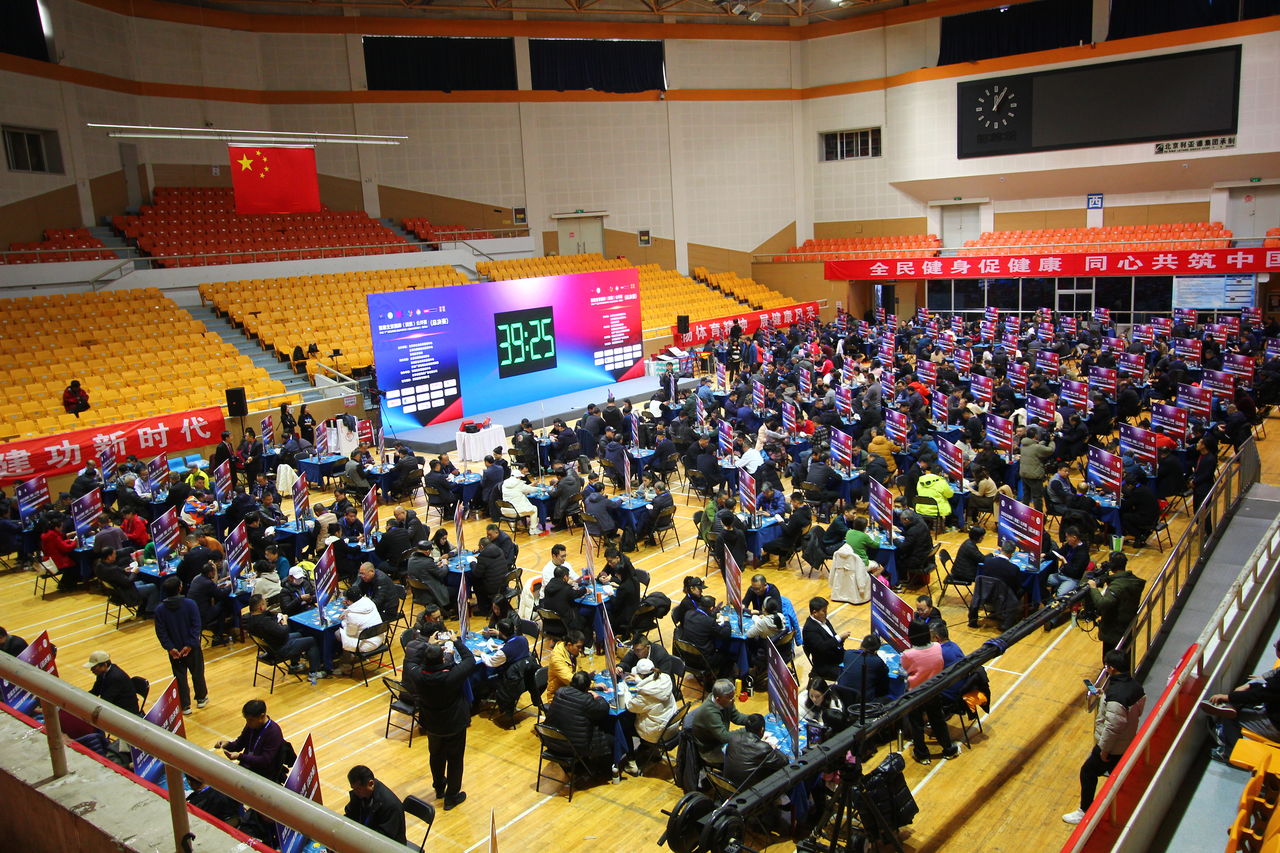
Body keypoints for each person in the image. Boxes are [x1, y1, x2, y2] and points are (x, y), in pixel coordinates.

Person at [1062, 651, 1146, 824]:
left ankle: (1084, 811)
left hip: (1112, 747)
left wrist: (1104, 750)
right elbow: (1129, 711)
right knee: (1118, 776)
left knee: (1088, 772)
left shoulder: (1116, 694)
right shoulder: (1134, 686)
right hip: (1126, 741)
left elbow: (1113, 725)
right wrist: (1104, 697)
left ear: (1112, 668)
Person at [414, 640, 476, 809]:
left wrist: (427, 645)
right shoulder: (451, 676)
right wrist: (456, 641)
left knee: (436, 756)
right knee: (455, 760)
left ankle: (439, 788)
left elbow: (410, 660)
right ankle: (451, 797)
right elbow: (469, 659)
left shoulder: (418, 675)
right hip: (454, 724)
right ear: (442, 659)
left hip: (432, 724)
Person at [900, 620, 960, 765]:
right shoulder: (937, 647)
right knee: (938, 720)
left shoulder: (907, 654)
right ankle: (948, 749)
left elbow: (904, 671)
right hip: (933, 691)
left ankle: (922, 754)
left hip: (915, 694)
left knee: (917, 725)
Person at [544, 670, 616, 774]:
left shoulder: (560, 692)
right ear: (587, 687)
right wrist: (598, 697)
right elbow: (603, 709)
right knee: (611, 739)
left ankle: (583, 766)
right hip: (571, 748)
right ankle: (605, 772)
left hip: (550, 741)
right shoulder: (586, 700)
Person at [154, 576, 208, 714]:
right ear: (180, 588)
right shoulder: (190, 604)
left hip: (175, 651)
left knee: (179, 677)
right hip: (192, 648)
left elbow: (161, 632)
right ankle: (201, 698)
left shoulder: (160, 610)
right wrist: (189, 645)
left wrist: (170, 648)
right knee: (197, 673)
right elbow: (196, 625)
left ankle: (185, 705)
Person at [243, 594, 325, 683]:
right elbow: (283, 632)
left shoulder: (249, 619)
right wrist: (285, 621)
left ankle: (294, 665)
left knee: (300, 634)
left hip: (270, 646)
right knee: (312, 641)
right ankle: (314, 672)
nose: (266, 604)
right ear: (260, 607)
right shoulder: (264, 622)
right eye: (264, 603)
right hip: (280, 648)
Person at [1088, 554, 1145, 665]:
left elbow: (1102, 604)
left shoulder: (1118, 586)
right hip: (1127, 626)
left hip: (1113, 630)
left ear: (1112, 565)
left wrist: (1093, 588)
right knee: (1125, 658)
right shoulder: (1133, 581)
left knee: (1112, 663)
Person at [215, 699, 286, 781]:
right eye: (246, 720)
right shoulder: (251, 725)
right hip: (246, 768)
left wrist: (240, 756)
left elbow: (265, 761)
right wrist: (226, 744)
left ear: (262, 716)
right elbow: (239, 744)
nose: (247, 723)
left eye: (250, 720)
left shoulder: (273, 732)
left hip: (262, 776)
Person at [624, 657, 677, 760]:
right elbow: (649, 683)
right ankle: (646, 749)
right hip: (671, 727)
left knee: (625, 724)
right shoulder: (664, 679)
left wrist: (626, 690)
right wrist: (639, 681)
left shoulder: (645, 693)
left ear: (642, 675)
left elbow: (630, 706)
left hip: (657, 733)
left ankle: (631, 760)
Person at [689, 679, 750, 767]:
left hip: (720, 741)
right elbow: (724, 737)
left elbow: (736, 717)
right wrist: (747, 729)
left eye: (733, 696)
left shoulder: (726, 701)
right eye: (730, 698)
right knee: (745, 756)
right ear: (718, 699)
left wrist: (751, 719)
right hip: (710, 751)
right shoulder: (710, 713)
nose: (733, 700)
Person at [723, 713, 789, 790]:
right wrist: (774, 749)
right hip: (749, 792)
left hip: (727, 787)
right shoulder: (763, 748)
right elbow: (784, 762)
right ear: (762, 729)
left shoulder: (734, 738)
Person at [344, 765, 406, 844]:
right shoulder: (359, 794)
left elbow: (384, 838)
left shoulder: (391, 806)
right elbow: (350, 814)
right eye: (353, 789)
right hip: (366, 837)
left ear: (371, 784)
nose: (355, 792)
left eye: (358, 789)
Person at [837, 633, 891, 704]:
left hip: (843, 697)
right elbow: (886, 672)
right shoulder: (877, 661)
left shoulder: (848, 653)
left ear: (862, 644)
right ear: (876, 650)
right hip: (863, 702)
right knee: (889, 699)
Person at [802, 597, 848, 680]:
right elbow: (821, 648)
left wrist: (841, 640)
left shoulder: (825, 621)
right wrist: (839, 638)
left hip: (838, 656)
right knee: (852, 674)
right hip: (826, 665)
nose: (826, 613)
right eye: (824, 611)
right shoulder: (809, 629)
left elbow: (834, 638)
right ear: (814, 612)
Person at [338, 585, 384, 667]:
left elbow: (350, 633)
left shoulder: (352, 615)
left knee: (339, 633)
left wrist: (344, 621)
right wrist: (348, 609)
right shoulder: (369, 602)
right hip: (379, 638)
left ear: (349, 600)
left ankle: (346, 665)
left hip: (367, 644)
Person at [86, 650, 141, 715]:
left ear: (104, 665)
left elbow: (106, 700)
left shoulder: (116, 677)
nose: (91, 670)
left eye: (94, 667)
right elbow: (95, 691)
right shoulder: (101, 673)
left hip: (126, 711)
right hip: (115, 705)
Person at [1019, 427, 1056, 511]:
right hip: (1034, 475)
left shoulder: (1023, 445)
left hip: (1024, 473)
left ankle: (1023, 513)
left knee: (1026, 495)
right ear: (1035, 435)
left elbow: (1036, 446)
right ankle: (1039, 515)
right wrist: (1051, 441)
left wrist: (1043, 442)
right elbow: (1050, 450)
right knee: (1037, 497)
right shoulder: (1037, 447)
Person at [545, 630, 586, 703]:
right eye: (578, 647)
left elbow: (579, 672)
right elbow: (570, 679)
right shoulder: (557, 658)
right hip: (557, 697)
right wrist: (591, 685)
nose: (580, 650)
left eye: (581, 647)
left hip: (571, 690)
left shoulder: (574, 652)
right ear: (569, 645)